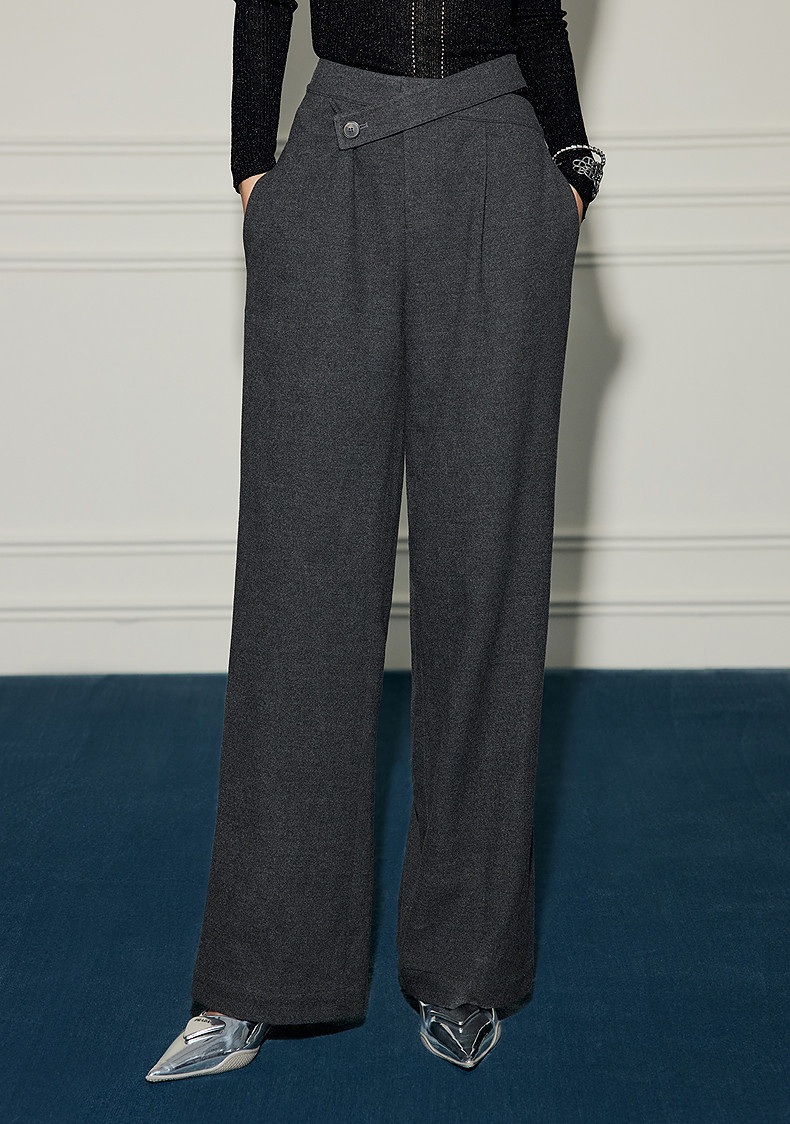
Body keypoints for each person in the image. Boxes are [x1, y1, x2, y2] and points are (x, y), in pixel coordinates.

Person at [146, 0, 604, 1081]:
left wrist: (569, 170)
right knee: (299, 578)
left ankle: (466, 965)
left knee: (485, 575)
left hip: (498, 158)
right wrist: (253, 170)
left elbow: (539, 11)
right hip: (334, 159)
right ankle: (258, 974)